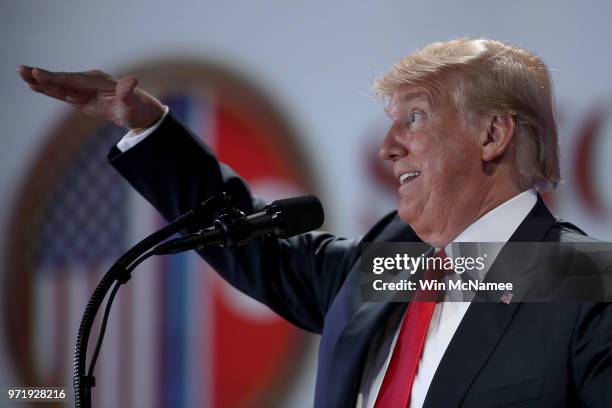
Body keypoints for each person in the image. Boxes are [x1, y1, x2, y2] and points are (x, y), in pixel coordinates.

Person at [19, 38, 612, 407]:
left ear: (492, 135)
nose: (389, 147)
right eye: (391, 121)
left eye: (416, 118)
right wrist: (148, 129)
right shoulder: (396, 260)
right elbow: (257, 247)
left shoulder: (583, 279)